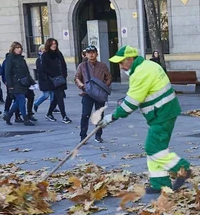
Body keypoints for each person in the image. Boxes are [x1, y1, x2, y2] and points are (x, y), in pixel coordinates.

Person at [99, 45, 190, 193]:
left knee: (152, 147)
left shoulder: (140, 73)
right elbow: (142, 93)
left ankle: (182, 168)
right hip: (164, 111)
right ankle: (159, 184)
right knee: (157, 150)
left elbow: (132, 103)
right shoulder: (148, 65)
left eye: (121, 62)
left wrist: (111, 117)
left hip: (162, 113)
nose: (120, 66)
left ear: (130, 59)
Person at [75, 45, 112, 143]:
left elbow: (108, 77)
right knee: (85, 114)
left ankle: (98, 135)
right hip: (87, 93)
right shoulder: (82, 66)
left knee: (99, 115)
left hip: (99, 94)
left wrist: (104, 86)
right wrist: (82, 85)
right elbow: (77, 77)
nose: (91, 55)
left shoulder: (102, 66)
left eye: (93, 52)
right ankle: (83, 136)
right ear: (86, 55)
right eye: (89, 53)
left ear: (96, 54)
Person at [2, 42, 34, 126]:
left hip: (23, 83)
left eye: (20, 48)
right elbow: (7, 73)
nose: (19, 49)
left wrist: (32, 82)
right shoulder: (9, 59)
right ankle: (25, 118)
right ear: (13, 49)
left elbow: (26, 72)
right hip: (15, 83)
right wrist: (10, 86)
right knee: (22, 100)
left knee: (18, 102)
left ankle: (9, 115)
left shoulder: (21, 59)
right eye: (17, 48)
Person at [40, 38, 71, 123]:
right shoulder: (45, 55)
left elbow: (63, 64)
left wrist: (64, 75)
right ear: (48, 45)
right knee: (60, 97)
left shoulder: (59, 53)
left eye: (55, 43)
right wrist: (52, 75)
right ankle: (64, 116)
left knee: (57, 98)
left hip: (61, 79)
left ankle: (49, 113)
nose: (54, 45)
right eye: (52, 44)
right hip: (52, 80)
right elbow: (44, 68)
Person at [33, 45, 53, 113]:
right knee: (46, 95)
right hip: (44, 80)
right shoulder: (39, 59)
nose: (44, 50)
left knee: (53, 94)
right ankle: (36, 104)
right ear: (40, 50)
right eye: (43, 49)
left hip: (51, 79)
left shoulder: (49, 57)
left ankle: (52, 108)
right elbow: (40, 70)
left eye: (45, 49)